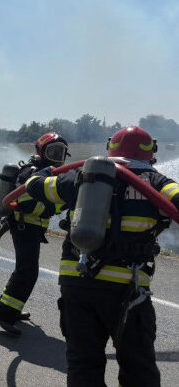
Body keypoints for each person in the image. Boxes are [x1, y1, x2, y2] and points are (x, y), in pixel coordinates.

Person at [25, 126, 175, 386]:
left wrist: (42, 172)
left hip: (78, 285)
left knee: (83, 365)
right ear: (150, 152)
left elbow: (35, 187)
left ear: (111, 149)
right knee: (138, 369)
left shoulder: (83, 176)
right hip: (129, 291)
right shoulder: (157, 182)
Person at [0, 132, 69, 336]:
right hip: (24, 226)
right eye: (53, 151)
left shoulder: (51, 175)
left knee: (25, 270)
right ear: (41, 152)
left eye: (61, 152)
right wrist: (52, 209)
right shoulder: (33, 172)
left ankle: (12, 310)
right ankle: (3, 314)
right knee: (27, 271)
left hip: (32, 227)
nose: (57, 156)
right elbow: (24, 201)